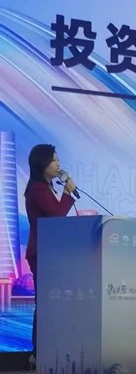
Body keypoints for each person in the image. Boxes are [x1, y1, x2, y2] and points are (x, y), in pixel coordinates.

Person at [24, 144, 76, 355]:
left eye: (58, 159)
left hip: (51, 252)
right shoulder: (37, 188)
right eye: (53, 160)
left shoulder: (46, 187)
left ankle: (44, 351)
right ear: (42, 163)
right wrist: (68, 191)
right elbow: (56, 215)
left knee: (50, 302)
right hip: (42, 252)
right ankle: (39, 353)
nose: (58, 164)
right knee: (46, 302)